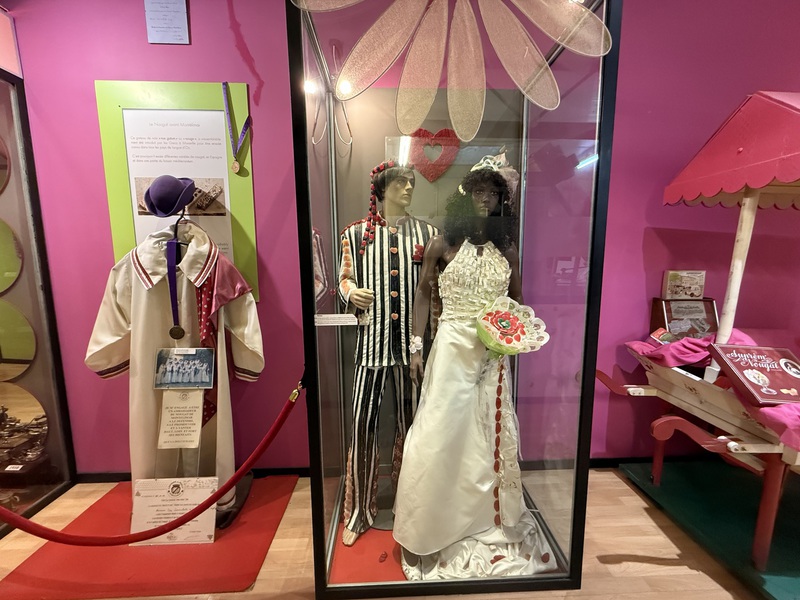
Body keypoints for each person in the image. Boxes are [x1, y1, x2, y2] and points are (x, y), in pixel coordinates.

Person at [392, 155, 555, 579]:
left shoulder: (507, 250)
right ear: (465, 197)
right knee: (439, 431)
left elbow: (518, 302)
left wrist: (516, 338)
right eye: (478, 191)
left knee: (485, 437)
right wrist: (415, 347)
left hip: (492, 353)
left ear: (502, 201)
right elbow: (423, 294)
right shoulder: (442, 245)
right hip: (451, 347)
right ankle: (431, 522)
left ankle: (481, 518)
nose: (485, 199)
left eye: (493, 193)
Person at [338, 159, 438, 546]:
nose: (409, 188)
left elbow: (433, 293)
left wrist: (423, 344)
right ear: (381, 190)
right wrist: (351, 292)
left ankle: (410, 508)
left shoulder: (428, 233)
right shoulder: (355, 234)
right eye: (400, 183)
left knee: (413, 428)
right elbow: (344, 279)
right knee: (362, 425)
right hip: (371, 346)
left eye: (411, 182)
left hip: (412, 350)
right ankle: (359, 512)